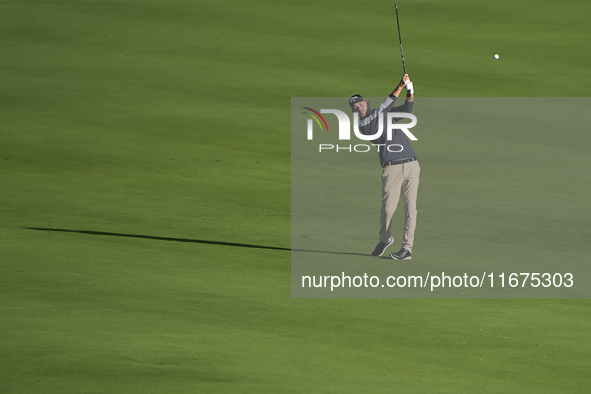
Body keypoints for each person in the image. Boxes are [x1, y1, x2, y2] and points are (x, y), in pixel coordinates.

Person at [349, 74, 419, 260]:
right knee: (388, 209)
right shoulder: (364, 125)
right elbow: (383, 107)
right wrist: (400, 85)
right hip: (391, 168)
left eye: (361, 103)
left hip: (412, 163)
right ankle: (385, 239)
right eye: (355, 107)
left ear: (366, 102)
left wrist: (410, 90)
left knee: (410, 208)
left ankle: (407, 249)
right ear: (354, 112)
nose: (359, 107)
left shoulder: (386, 114)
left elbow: (408, 109)